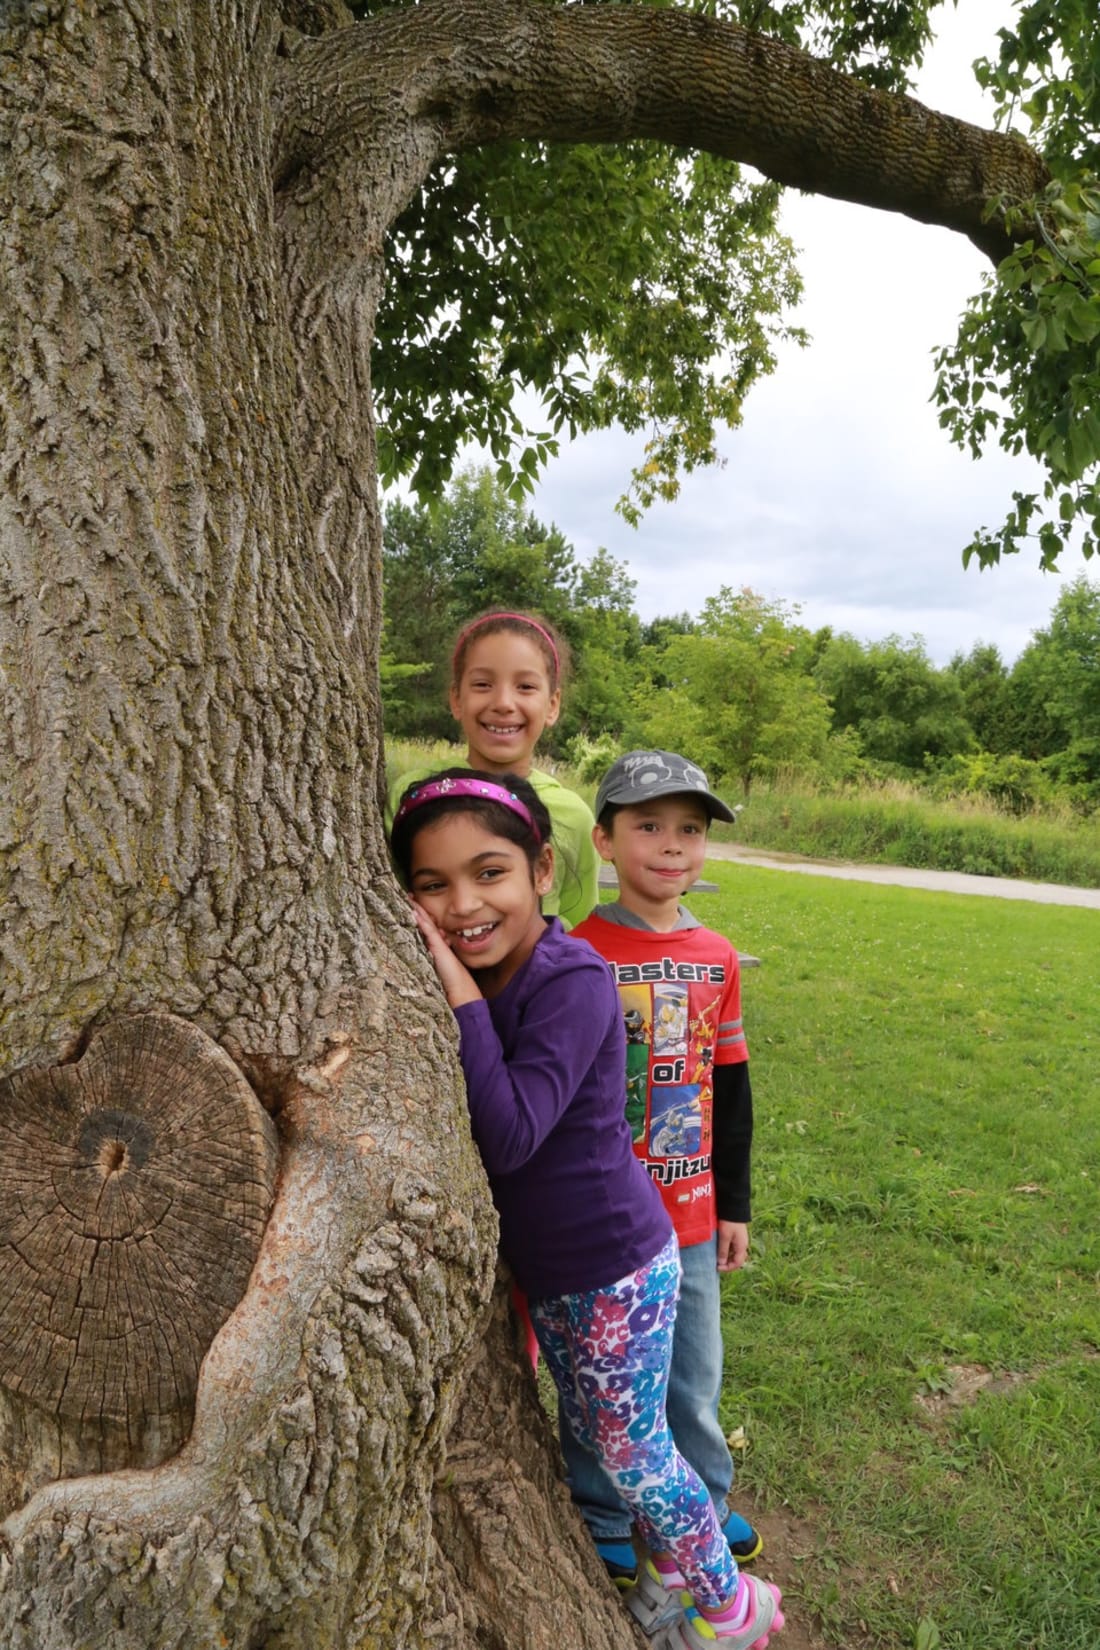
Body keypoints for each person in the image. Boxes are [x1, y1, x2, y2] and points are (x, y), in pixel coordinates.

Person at [389, 768, 784, 1650]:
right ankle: (666, 1574)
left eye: (489, 873)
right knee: (600, 1436)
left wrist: (454, 986)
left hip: (613, 1266)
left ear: (542, 870)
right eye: (432, 885)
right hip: (558, 1273)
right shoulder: (500, 968)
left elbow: (511, 1134)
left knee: (634, 1454)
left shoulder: (569, 976)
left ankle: (732, 1608)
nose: (463, 905)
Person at [567, 749, 761, 1625]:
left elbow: (733, 1089)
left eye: (690, 829)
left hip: (689, 1217)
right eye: (648, 826)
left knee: (692, 1378)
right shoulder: (575, 952)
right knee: (597, 1381)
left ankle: (703, 1506)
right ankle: (604, 1514)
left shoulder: (718, 957)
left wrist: (735, 1205)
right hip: (603, 1221)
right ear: (605, 841)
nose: (673, 845)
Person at [386, 610, 599, 929]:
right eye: (483, 684)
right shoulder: (415, 794)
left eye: (525, 686)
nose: (503, 703)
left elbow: (581, 926)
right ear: (456, 699)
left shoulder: (574, 816)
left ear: (552, 705)